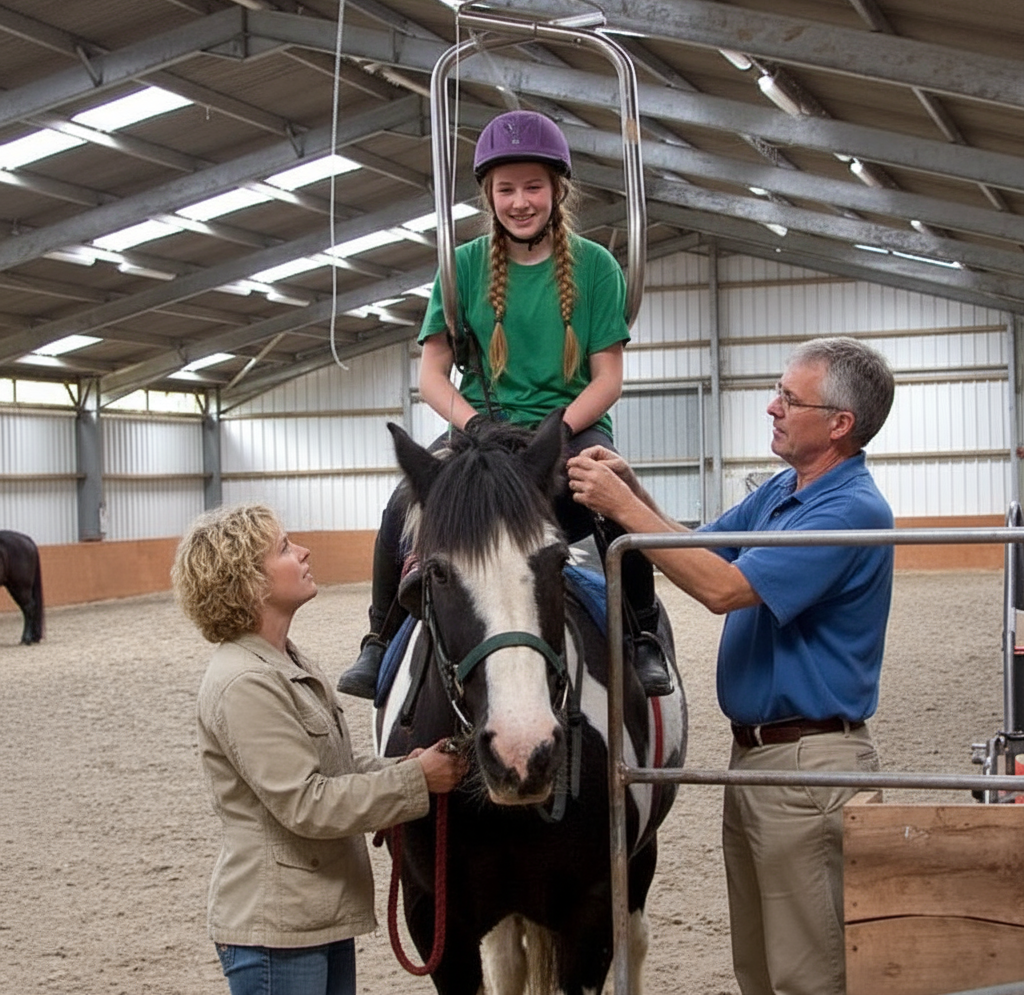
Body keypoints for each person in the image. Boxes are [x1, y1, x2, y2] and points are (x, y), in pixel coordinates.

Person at [566, 336, 896, 995]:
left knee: (809, 974)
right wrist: (632, 488)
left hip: (807, 765)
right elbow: (699, 548)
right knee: (759, 968)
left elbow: (722, 589)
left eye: (788, 397)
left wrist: (621, 508)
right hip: (758, 760)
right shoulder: (785, 491)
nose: (771, 406)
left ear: (840, 424)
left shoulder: (850, 509)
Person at [336, 108, 671, 700]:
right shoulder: (460, 266)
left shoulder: (595, 267)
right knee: (400, 506)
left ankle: (643, 631)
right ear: (488, 195)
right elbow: (433, 374)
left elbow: (607, 379)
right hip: (480, 429)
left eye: (533, 187)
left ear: (557, 190)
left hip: (570, 428)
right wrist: (476, 424)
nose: (521, 201)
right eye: (506, 188)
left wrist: (553, 433)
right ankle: (379, 638)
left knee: (618, 499)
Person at [172, 503, 467, 995]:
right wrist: (417, 781)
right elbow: (308, 804)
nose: (303, 552)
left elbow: (337, 767)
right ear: (248, 582)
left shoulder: (285, 662)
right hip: (278, 932)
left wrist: (404, 765)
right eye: (285, 548)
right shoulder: (246, 682)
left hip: (311, 919)